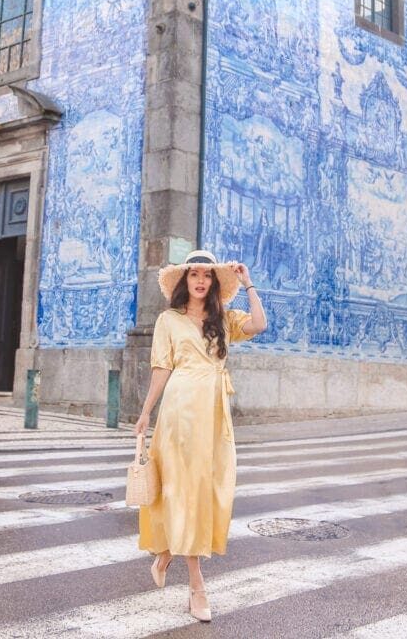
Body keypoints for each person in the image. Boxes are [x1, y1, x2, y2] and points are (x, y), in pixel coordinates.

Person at [134, 249, 267, 622]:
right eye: (194, 274)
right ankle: (197, 586)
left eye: (206, 276)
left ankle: (165, 554)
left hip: (213, 413)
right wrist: (145, 414)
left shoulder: (223, 320)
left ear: (212, 283)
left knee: (208, 489)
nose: (200, 280)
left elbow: (260, 324)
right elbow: (161, 368)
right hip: (179, 413)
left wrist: (248, 283)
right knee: (184, 488)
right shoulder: (168, 320)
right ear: (184, 280)